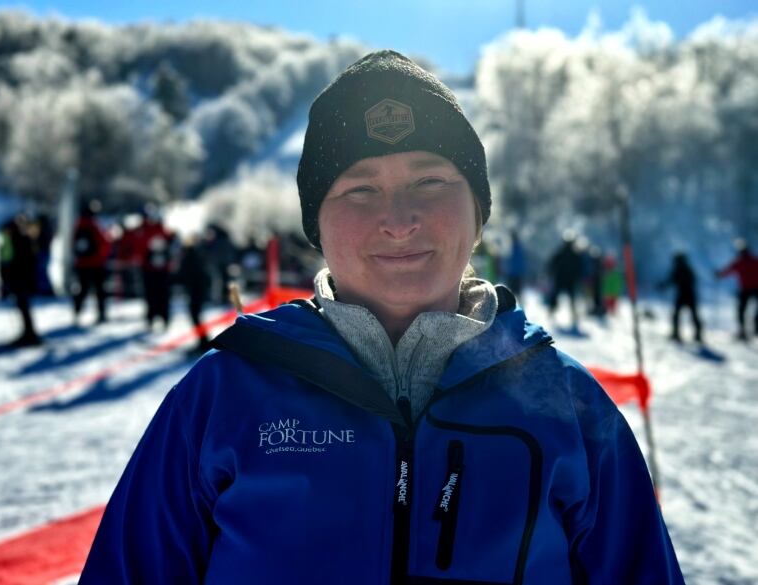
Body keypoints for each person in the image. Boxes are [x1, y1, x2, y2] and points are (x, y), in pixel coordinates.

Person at [81, 50, 683, 583]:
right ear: (317, 225)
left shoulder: (567, 404)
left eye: (431, 180)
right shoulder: (221, 395)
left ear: (478, 213)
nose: (398, 219)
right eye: (360, 190)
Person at [3, 214, 42, 346]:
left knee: (24, 307)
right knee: (24, 307)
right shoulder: (25, 239)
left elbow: (19, 263)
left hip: (21, 280)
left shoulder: (20, 240)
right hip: (23, 279)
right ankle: (28, 333)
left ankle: (29, 334)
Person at [72, 201, 111, 324]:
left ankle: (77, 312)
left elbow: (73, 244)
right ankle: (101, 314)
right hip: (96, 263)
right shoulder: (94, 225)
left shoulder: (78, 225)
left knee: (82, 289)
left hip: (82, 264)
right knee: (99, 290)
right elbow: (104, 243)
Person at [139, 207, 174, 330]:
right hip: (151, 269)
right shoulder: (147, 230)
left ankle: (161, 319)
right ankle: (153, 318)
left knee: (160, 296)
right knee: (153, 296)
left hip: (159, 270)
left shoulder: (163, 232)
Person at [716, 239, 758, 341]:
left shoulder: (739, 262)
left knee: (741, 311)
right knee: (750, 310)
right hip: (755, 289)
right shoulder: (754, 260)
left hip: (746, 289)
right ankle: (755, 329)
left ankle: (743, 331)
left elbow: (727, 271)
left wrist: (719, 274)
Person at [658, 251, 703, 343]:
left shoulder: (680, 270)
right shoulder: (687, 269)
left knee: (679, 315)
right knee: (691, 315)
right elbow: (672, 281)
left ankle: (678, 334)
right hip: (689, 295)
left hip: (685, 294)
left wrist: (663, 286)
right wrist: (663, 286)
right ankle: (696, 335)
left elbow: (671, 281)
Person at [177, 234, 211, 354]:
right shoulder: (193, 253)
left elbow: (188, 272)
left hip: (196, 289)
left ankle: (203, 342)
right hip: (196, 289)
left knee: (195, 315)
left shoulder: (192, 254)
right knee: (195, 316)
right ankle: (203, 341)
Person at [547, 231, 583, 328]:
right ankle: (572, 315)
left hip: (562, 279)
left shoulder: (561, 252)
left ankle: (553, 311)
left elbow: (552, 264)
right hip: (568, 280)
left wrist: (550, 272)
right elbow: (579, 268)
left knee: (558, 296)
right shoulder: (574, 254)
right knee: (569, 298)